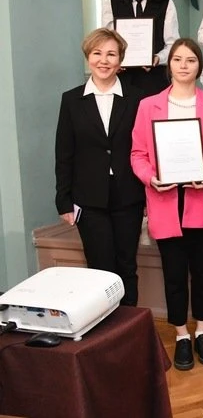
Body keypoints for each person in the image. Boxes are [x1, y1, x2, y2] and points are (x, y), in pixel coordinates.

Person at [130, 38, 203, 372]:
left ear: (200, 66)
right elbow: (138, 154)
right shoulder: (148, 106)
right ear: (168, 64)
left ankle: (202, 331)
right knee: (173, 274)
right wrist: (150, 178)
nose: (184, 65)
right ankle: (181, 334)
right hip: (165, 200)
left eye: (191, 60)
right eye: (177, 59)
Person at [55, 28, 145, 306]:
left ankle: (129, 326)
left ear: (120, 60)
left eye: (111, 54)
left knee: (126, 265)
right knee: (99, 269)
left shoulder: (137, 98)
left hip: (128, 195)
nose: (103, 60)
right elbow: (64, 152)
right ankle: (104, 328)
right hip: (88, 198)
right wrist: (63, 200)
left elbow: (145, 148)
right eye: (97, 53)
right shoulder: (71, 100)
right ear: (88, 57)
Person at [102, 0, 178, 96]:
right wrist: (113, 60)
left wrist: (158, 58)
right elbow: (106, 39)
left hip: (155, 79)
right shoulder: (112, 1)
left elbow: (172, 44)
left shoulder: (165, 3)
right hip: (121, 78)